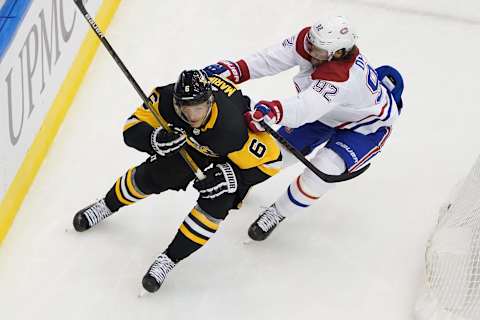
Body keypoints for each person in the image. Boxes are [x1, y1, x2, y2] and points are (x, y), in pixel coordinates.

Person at [72, 70, 282, 292]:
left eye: (198, 108)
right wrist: (154, 139)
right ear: (177, 101)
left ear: (210, 102)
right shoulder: (165, 98)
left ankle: (169, 259)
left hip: (229, 154)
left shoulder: (233, 128)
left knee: (216, 203)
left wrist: (230, 177)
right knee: (154, 175)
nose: (192, 116)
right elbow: (131, 128)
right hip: (194, 145)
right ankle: (106, 205)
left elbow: (272, 162)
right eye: (186, 108)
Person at [204, 15, 404, 241]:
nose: (310, 51)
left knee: (324, 170)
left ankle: (277, 212)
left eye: (317, 50)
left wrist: (275, 111)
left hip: (365, 126)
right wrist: (233, 70)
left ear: (338, 53)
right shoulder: (310, 43)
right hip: (328, 112)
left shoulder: (342, 77)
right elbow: (269, 59)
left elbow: (306, 107)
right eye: (310, 43)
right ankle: (245, 182)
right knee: (274, 153)